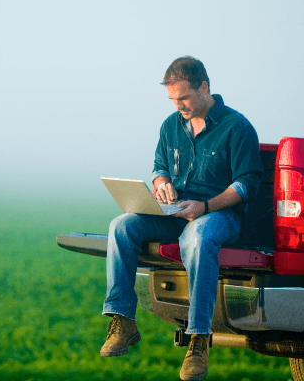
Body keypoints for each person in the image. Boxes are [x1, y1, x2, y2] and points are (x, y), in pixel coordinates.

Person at [100, 56, 263, 381]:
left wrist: (203, 208)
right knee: (120, 226)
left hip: (218, 215)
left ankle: (198, 339)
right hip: (174, 213)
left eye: (184, 98)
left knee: (198, 236)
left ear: (204, 87)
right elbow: (159, 166)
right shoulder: (170, 125)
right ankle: (123, 321)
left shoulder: (237, 126)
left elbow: (246, 185)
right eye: (173, 100)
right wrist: (161, 186)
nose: (179, 106)